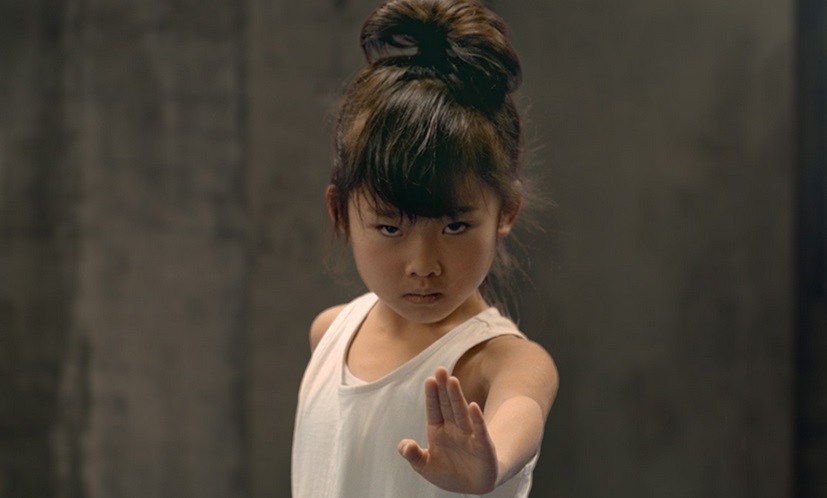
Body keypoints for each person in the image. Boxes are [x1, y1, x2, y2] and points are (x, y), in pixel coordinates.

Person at [291, 0, 558, 496]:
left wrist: (492, 461)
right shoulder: (329, 334)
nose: (423, 265)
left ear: (506, 212)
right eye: (390, 229)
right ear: (340, 213)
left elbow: (521, 408)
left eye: (455, 227)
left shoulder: (501, 361)